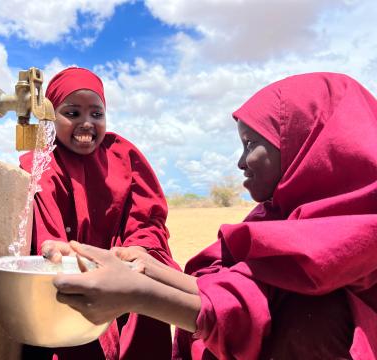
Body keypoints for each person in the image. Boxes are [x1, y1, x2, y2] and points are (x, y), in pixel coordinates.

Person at [52, 72, 377, 359]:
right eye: (71, 112)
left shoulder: (352, 237)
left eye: (251, 145)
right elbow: (231, 285)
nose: (241, 162)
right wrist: (145, 267)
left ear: (308, 146)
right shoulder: (278, 216)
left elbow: (249, 307)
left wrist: (137, 294)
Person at [19, 67, 180, 360]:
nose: (86, 124)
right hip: (73, 279)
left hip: (127, 271)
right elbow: (47, 233)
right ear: (51, 117)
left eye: (96, 114)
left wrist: (138, 252)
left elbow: (148, 219)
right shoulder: (42, 162)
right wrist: (67, 256)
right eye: (72, 113)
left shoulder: (123, 156)